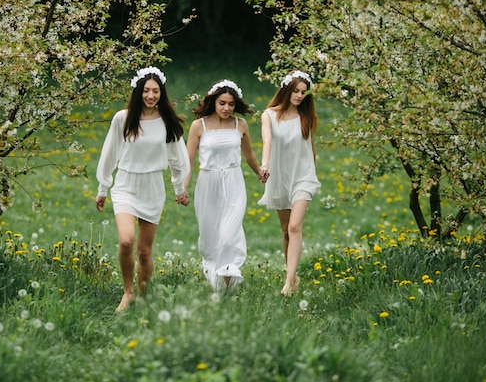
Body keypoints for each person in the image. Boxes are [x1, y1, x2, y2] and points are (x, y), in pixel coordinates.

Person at [95, 66, 190, 312]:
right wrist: (103, 188)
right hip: (126, 185)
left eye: (155, 91)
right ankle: (128, 292)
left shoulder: (166, 121)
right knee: (126, 242)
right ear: (139, 91)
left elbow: (179, 159)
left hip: (152, 187)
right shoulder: (123, 118)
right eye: (146, 90)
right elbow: (110, 154)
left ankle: (143, 297)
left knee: (145, 252)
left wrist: (180, 188)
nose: (150, 95)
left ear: (161, 92)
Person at [184, 79, 268, 292]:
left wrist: (259, 171)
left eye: (231, 104)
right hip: (208, 184)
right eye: (222, 103)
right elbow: (188, 160)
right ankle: (216, 281)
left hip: (233, 182)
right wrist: (181, 188)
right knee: (209, 238)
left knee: (229, 237)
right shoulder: (198, 126)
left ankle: (228, 277)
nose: (226, 108)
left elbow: (248, 154)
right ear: (213, 102)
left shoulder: (240, 125)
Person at [258, 70, 321, 296]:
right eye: (295, 91)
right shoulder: (269, 116)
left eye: (303, 92)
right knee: (286, 230)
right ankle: (293, 277)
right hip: (280, 177)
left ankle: (288, 283)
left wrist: (311, 169)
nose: (299, 96)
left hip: (303, 177)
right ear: (286, 90)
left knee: (295, 227)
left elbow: (310, 149)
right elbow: (267, 142)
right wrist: (264, 166)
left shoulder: (307, 117)